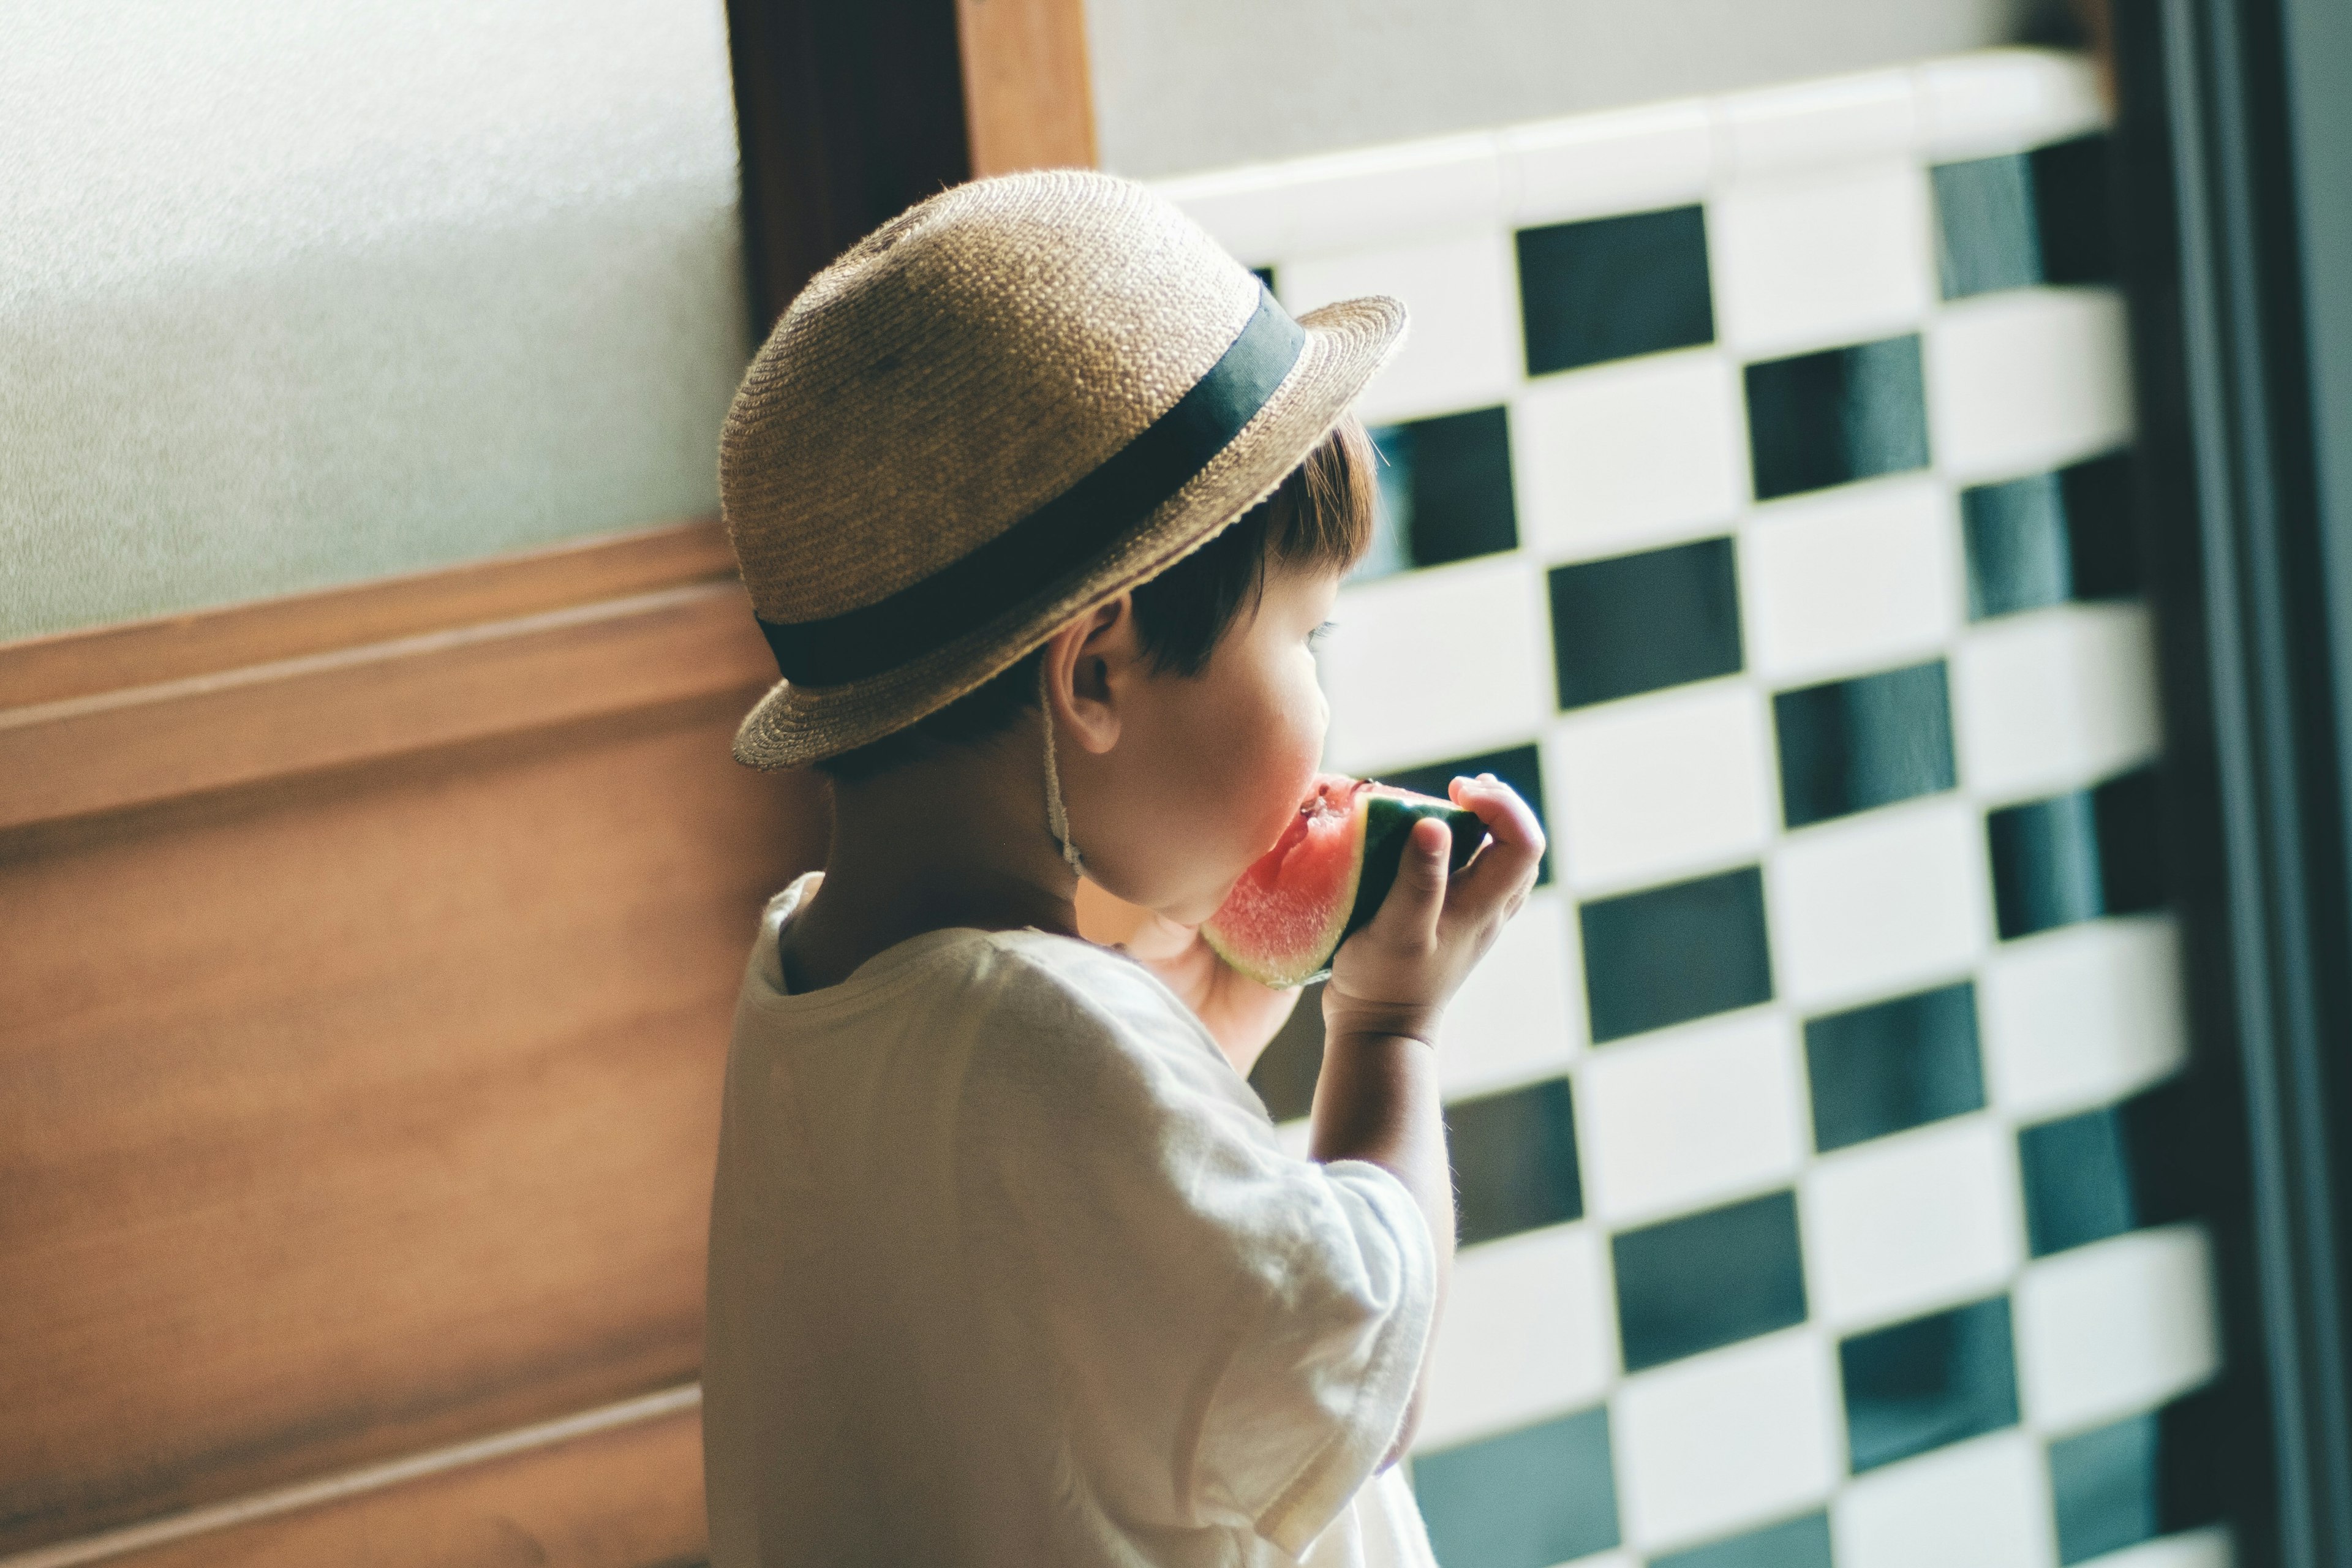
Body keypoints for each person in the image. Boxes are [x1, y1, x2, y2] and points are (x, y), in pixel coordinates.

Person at [701, 168, 1545, 1567]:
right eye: (1306, 643)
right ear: (1096, 672)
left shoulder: (808, 974)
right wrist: (1389, 1027)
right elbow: (1354, 1366)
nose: (1325, 715)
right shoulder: (1035, 1035)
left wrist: (1196, 1018)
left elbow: (1035, 1253)